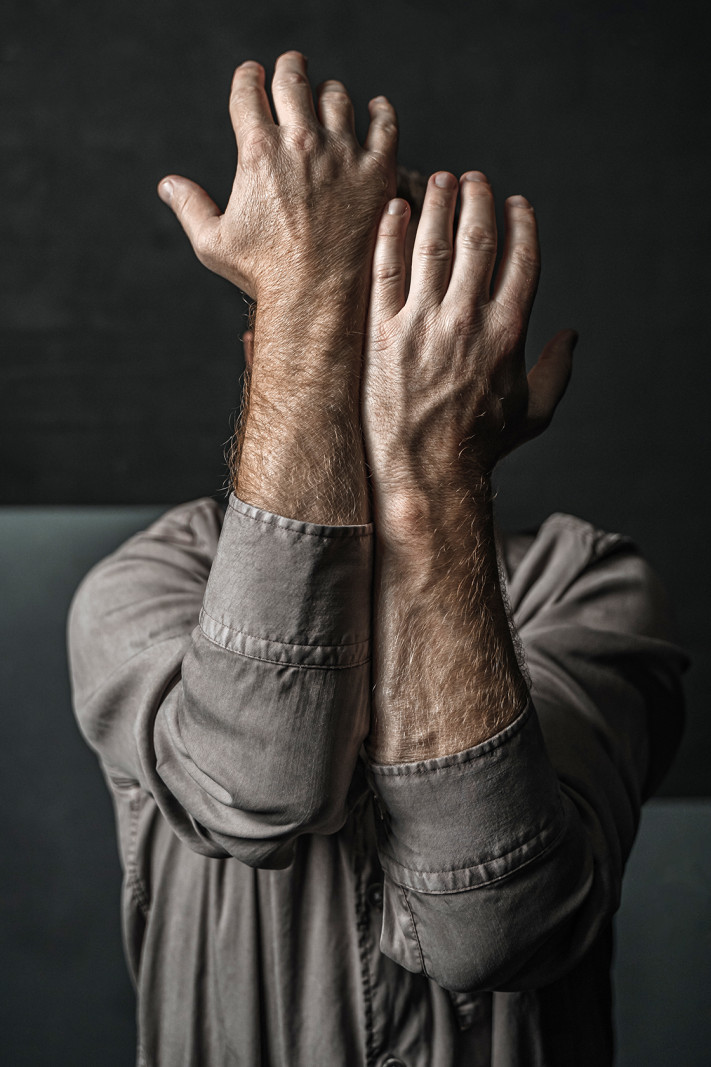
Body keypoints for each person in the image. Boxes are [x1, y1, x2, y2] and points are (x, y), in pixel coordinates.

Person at [67, 51, 688, 1067]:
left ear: (474, 362)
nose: (372, 356)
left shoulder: (593, 590)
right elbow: (256, 789)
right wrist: (305, 309)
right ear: (269, 358)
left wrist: (433, 464)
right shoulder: (144, 585)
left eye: (403, 322)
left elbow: (491, 925)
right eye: (329, 322)